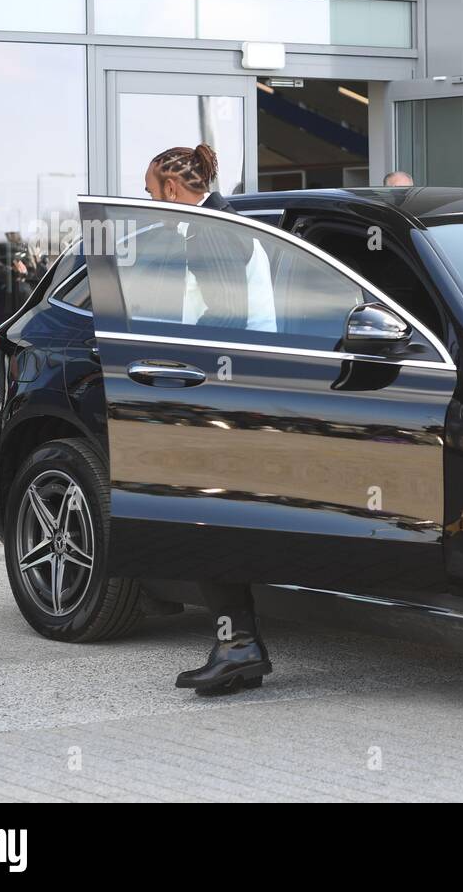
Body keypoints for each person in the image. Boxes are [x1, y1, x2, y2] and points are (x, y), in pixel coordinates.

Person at [143, 143, 273, 695]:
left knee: (206, 521)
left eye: (151, 192)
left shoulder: (211, 233)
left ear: (174, 189)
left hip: (222, 391)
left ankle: (239, 646)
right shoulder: (226, 223)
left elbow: (226, 315)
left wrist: (180, 365)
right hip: (238, 387)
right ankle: (238, 646)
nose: (149, 201)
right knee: (213, 520)